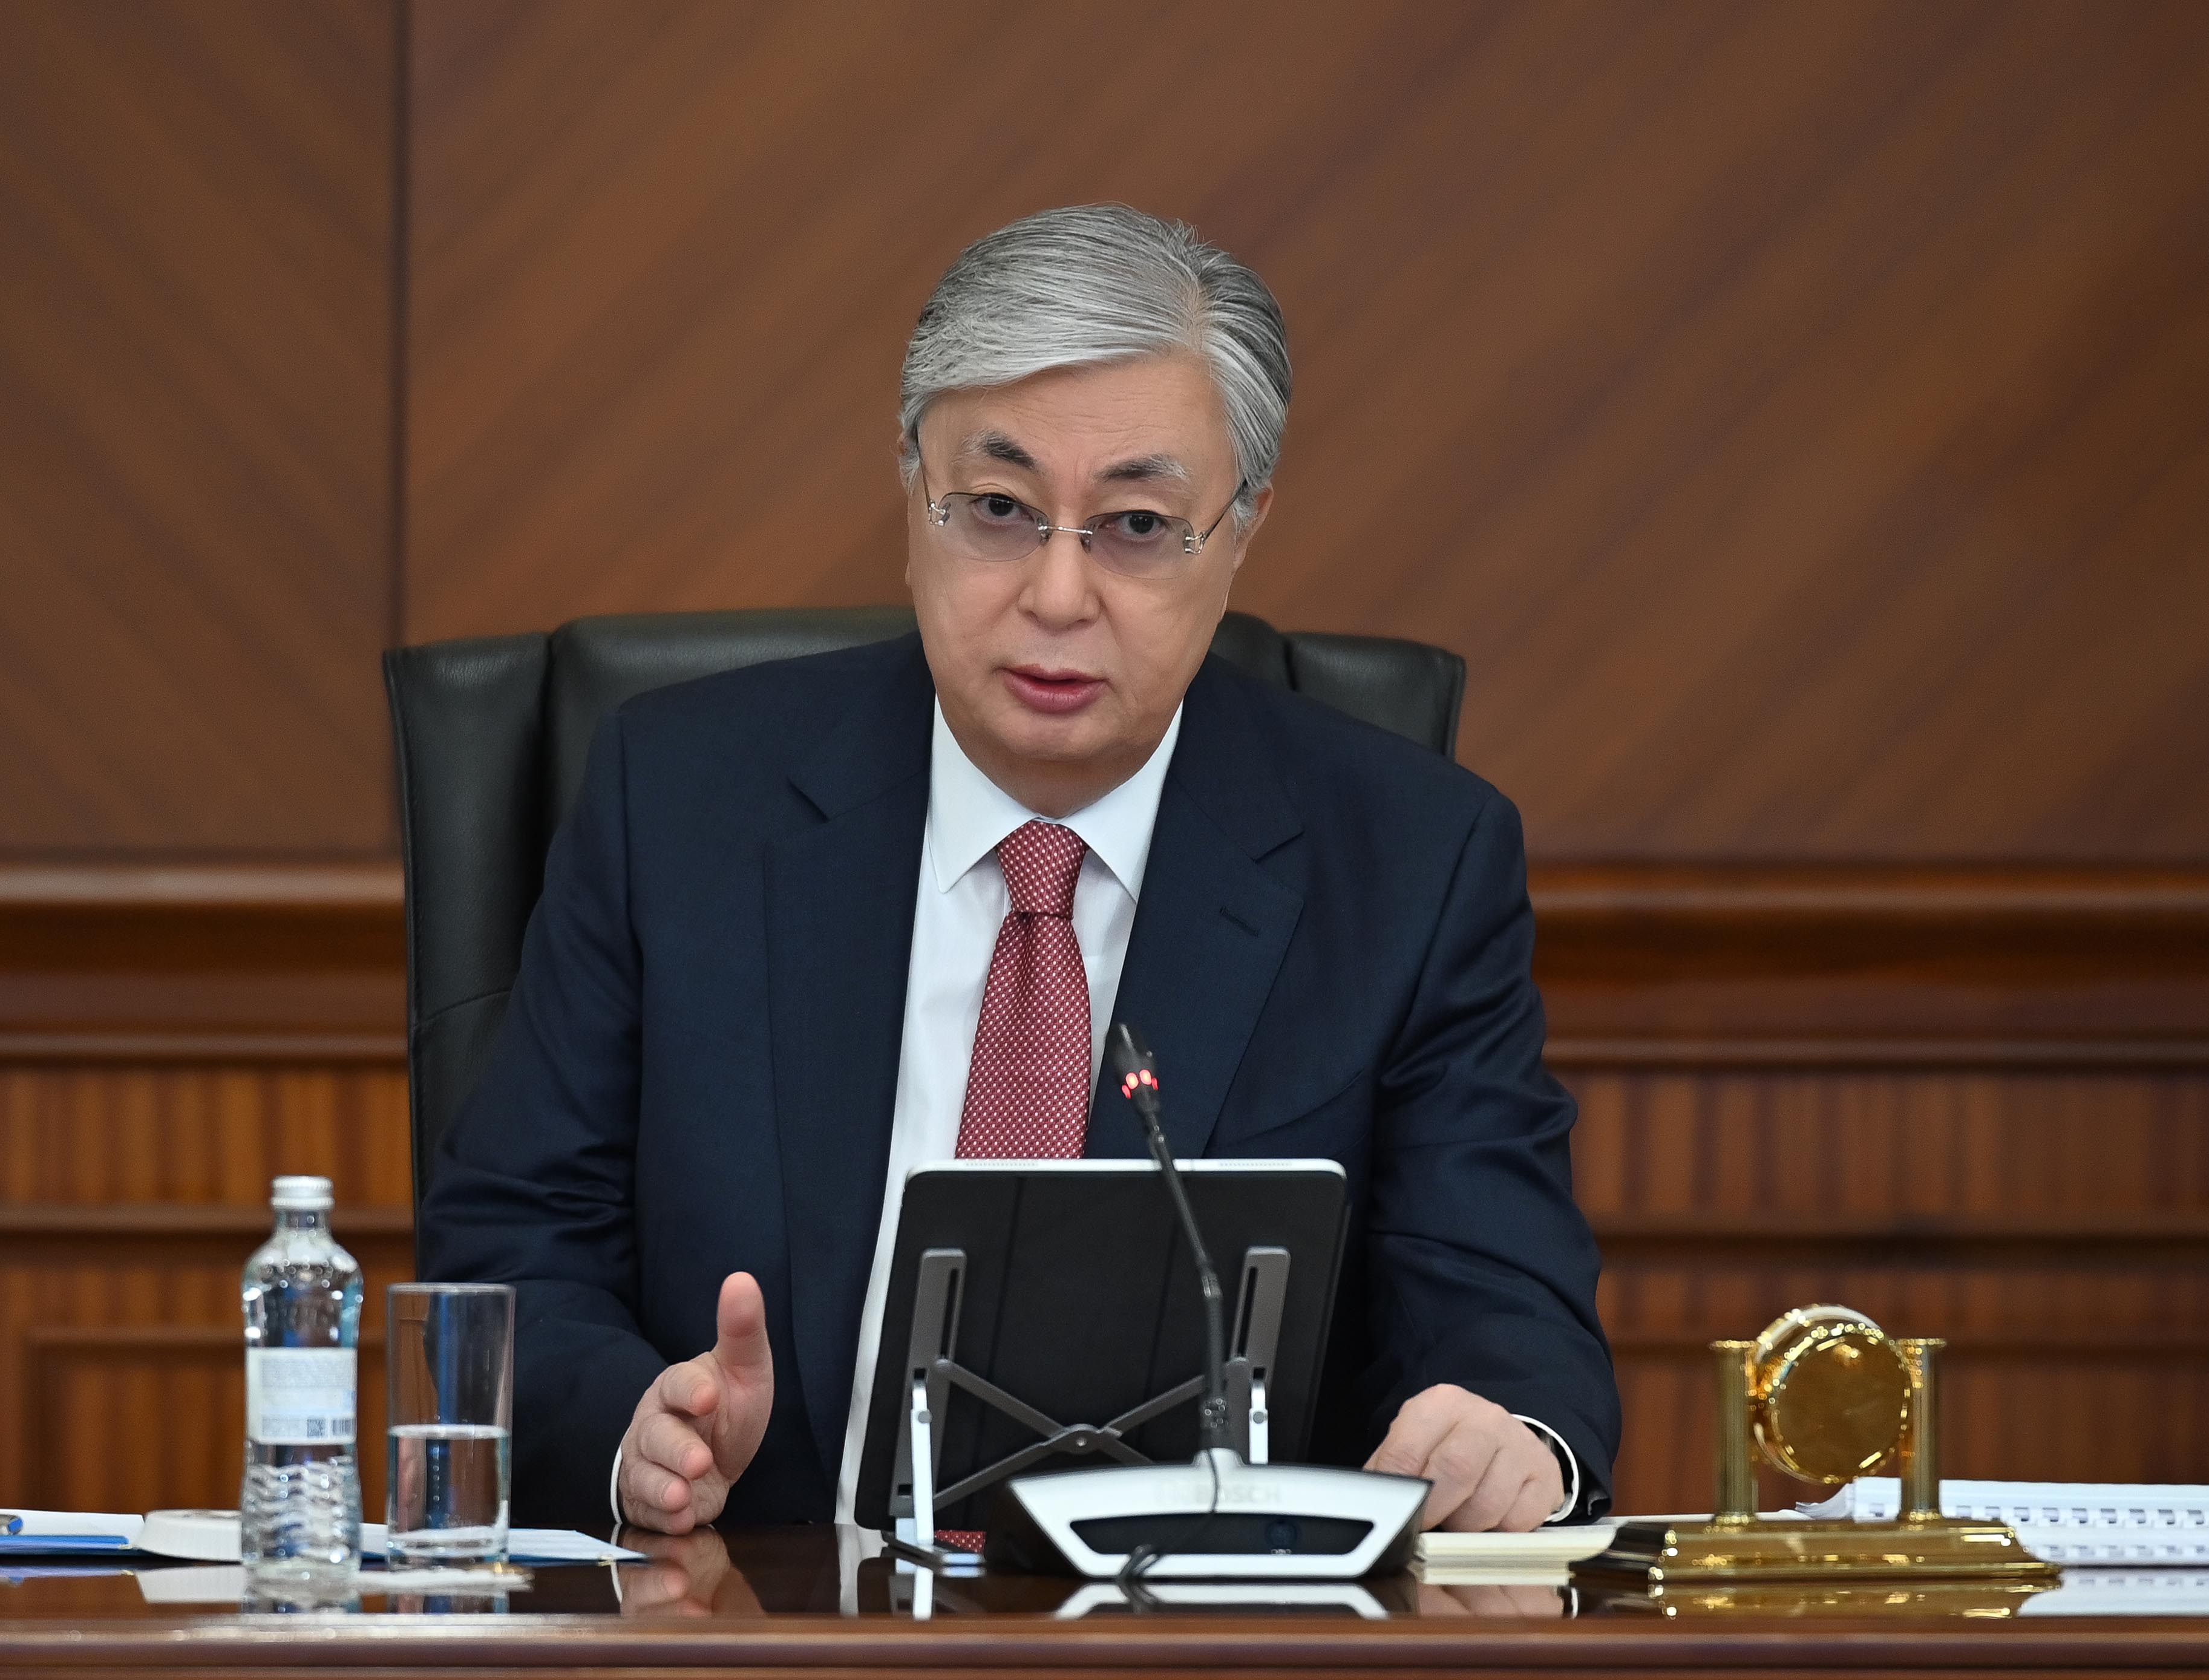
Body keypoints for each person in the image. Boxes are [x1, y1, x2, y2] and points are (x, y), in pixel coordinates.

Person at [418, 204, 1618, 1538]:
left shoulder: (1408, 862)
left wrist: (1507, 1435)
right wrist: (634, 1431)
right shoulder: (681, 803)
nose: (1055, 595)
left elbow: (1501, 1302)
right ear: (911, 495)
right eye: (997, 509)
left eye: (1136, 524)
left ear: (1240, 531)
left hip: (1216, 1626)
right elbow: (514, 1249)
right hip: (763, 1608)